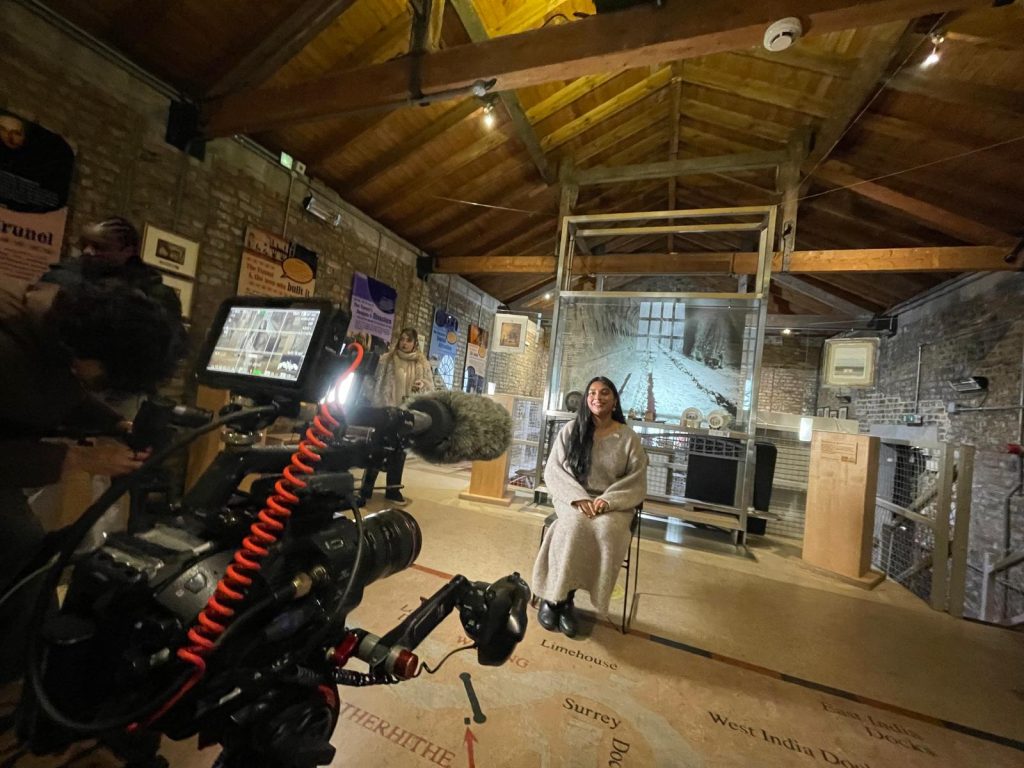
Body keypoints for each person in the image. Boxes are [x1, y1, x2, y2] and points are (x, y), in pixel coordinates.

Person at [0, 278, 182, 682]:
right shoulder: (9, 342)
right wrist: (75, 458)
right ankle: (21, 679)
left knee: (29, 551)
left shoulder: (50, 330)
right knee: (21, 553)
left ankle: (25, 672)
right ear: (96, 350)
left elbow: (61, 391)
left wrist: (118, 424)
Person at [532, 376, 648, 638]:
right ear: (586, 399)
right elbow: (553, 471)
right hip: (572, 497)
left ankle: (571, 596)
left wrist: (607, 501)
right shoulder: (571, 430)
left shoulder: (628, 437)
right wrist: (578, 498)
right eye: (592, 393)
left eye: (604, 393)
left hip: (613, 502)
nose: (598, 397)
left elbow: (636, 480)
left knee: (606, 530)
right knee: (573, 525)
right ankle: (556, 599)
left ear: (614, 399)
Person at [41, 216, 184, 324]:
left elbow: (170, 348)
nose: (87, 251)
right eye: (85, 245)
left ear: (127, 251)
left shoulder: (155, 294)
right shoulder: (66, 275)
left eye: (100, 247)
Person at [361, 327, 434, 505]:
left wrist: (421, 385)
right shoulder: (387, 360)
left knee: (398, 451)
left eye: (408, 340)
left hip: (405, 413)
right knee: (377, 448)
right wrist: (373, 402)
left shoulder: (422, 363)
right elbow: (371, 382)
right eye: (402, 339)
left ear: (415, 343)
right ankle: (366, 489)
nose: (404, 343)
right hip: (385, 410)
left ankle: (393, 490)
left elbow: (430, 388)